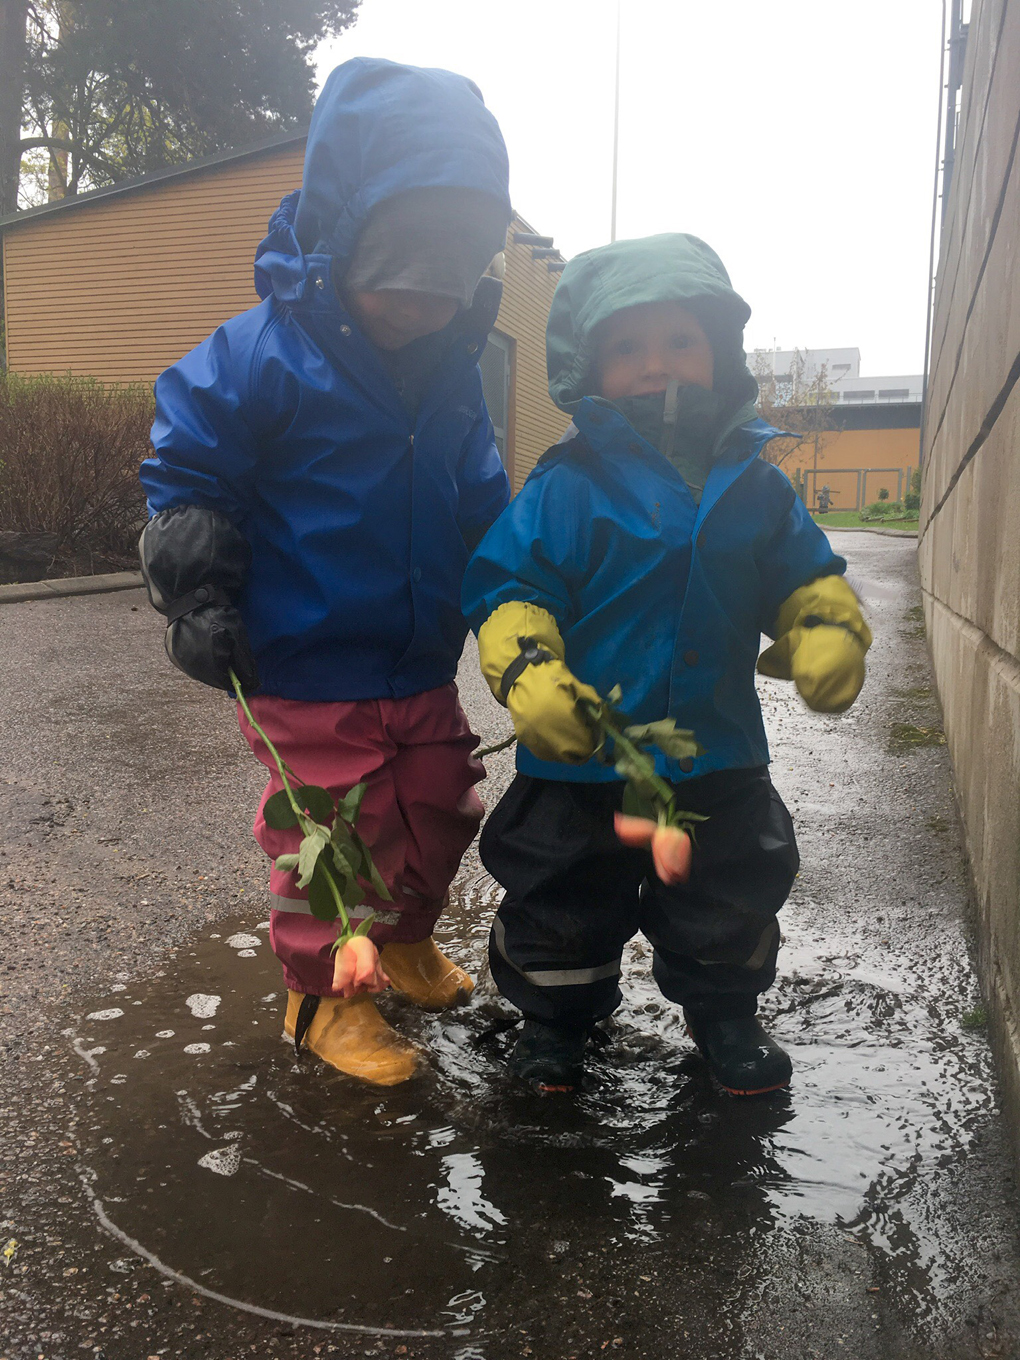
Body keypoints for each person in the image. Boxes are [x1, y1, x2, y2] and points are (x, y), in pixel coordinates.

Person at [138, 57, 512, 1086]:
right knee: (332, 836)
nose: (424, 300)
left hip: (418, 660)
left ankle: (399, 939)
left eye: (449, 272)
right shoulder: (260, 353)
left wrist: (522, 587)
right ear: (344, 229)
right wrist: (199, 584)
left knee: (439, 806)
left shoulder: (453, 378)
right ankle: (325, 1000)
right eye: (400, 265)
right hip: (305, 663)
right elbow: (188, 464)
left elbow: (481, 496)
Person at [463, 233, 871, 1096]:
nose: (657, 365)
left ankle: (726, 1014)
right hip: (577, 756)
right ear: (588, 364)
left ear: (720, 353)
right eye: (627, 347)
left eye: (680, 341)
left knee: (728, 888)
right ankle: (553, 1027)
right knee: (561, 895)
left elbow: (803, 575)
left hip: (713, 754)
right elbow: (512, 584)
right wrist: (529, 671)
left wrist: (826, 629)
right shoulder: (568, 484)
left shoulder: (757, 486)